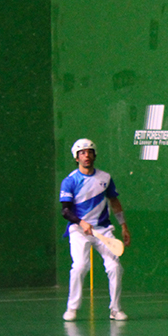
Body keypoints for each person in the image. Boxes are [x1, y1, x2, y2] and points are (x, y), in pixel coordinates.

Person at [59, 138, 131, 321]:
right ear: (76, 157)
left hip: (103, 230)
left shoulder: (105, 178)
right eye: (82, 153)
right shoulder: (70, 181)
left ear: (94, 155)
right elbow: (65, 210)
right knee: (80, 266)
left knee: (115, 267)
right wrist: (81, 222)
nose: (86, 156)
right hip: (79, 230)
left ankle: (115, 309)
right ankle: (72, 308)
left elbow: (114, 201)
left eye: (89, 152)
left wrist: (123, 225)